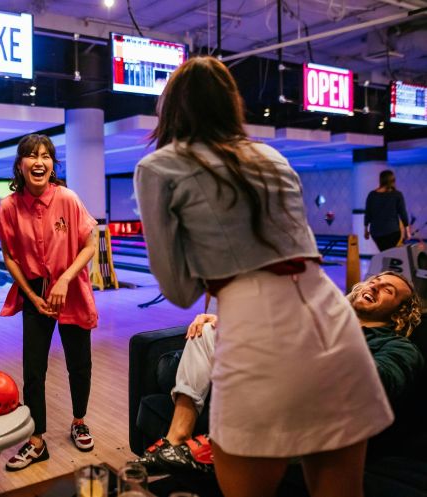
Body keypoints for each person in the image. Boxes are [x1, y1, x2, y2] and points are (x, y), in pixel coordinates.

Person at [134, 56, 394, 497]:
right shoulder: (272, 155)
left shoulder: (158, 168)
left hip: (260, 334)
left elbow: (179, 291)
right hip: (331, 319)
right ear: (231, 104)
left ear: (171, 107)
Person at [135, 271, 424, 477]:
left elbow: (379, 383)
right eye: (375, 280)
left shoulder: (400, 347)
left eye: (388, 289)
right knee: (209, 329)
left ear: (400, 313)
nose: (375, 285)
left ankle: (221, 444)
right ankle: (177, 436)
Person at [0, 134, 98, 471]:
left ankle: (79, 421)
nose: (39, 161)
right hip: (35, 290)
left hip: (70, 287)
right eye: (31, 156)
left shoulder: (67, 198)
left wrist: (65, 279)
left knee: (79, 363)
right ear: (20, 165)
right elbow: (9, 256)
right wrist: (31, 294)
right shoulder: (9, 206)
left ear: (52, 164)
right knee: (33, 370)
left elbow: (90, 242)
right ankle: (37, 440)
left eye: (46, 156)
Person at [364, 169, 411, 251]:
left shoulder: (372, 195)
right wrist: (407, 231)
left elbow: (368, 213)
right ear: (393, 180)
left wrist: (366, 230)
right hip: (392, 231)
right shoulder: (397, 195)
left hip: (376, 232)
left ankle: (385, 263)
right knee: (389, 254)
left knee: (384, 253)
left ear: (381, 180)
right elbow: (403, 213)